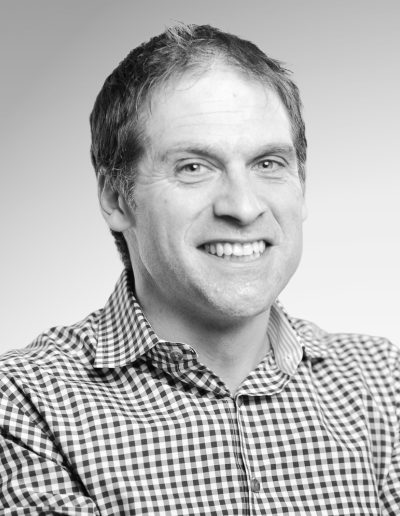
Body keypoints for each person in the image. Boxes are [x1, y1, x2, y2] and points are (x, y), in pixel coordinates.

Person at [0, 24, 399, 515]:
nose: (244, 206)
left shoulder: (385, 384)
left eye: (268, 163)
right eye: (194, 167)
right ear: (116, 198)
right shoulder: (25, 406)